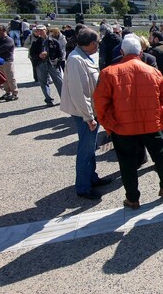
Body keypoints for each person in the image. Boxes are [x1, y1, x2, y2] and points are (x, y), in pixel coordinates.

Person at [93, 35, 163, 209]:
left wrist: (108, 122)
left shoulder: (108, 72)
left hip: (122, 126)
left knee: (127, 162)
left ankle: (133, 198)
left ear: (122, 52)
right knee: (160, 153)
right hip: (151, 123)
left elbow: (100, 103)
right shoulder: (153, 71)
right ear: (140, 51)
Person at [60, 28, 111, 200]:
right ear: (91, 43)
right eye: (97, 43)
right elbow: (78, 93)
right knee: (86, 149)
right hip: (85, 113)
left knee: (90, 148)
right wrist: (88, 116)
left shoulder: (82, 56)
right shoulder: (75, 60)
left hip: (89, 111)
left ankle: (92, 177)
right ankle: (83, 187)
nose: (98, 46)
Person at [29, 25, 63, 107]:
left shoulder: (54, 41)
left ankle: (64, 99)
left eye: (41, 30)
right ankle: (48, 100)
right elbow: (32, 54)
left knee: (59, 82)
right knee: (43, 83)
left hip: (52, 64)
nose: (39, 32)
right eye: (37, 31)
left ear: (46, 30)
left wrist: (56, 62)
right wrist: (38, 56)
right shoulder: (35, 43)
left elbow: (60, 54)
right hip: (41, 64)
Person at [0, 24, 18, 101]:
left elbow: (0, 49)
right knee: (3, 79)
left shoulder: (9, 40)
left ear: (4, 30)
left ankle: (14, 93)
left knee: (10, 78)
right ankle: (7, 92)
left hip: (7, 61)